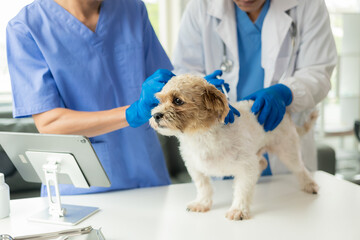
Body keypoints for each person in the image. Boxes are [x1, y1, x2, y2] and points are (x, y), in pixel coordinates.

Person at [6, 0, 177, 195]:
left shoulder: (133, 9)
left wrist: (196, 91)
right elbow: (50, 122)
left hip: (149, 178)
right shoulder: (26, 27)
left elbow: (162, 87)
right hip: (80, 191)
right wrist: (132, 113)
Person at [172, 0, 337, 175]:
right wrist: (200, 91)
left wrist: (287, 92)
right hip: (220, 148)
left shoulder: (307, 4)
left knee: (291, 195)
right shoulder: (201, 6)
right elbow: (185, 69)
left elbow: (318, 70)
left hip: (281, 151)